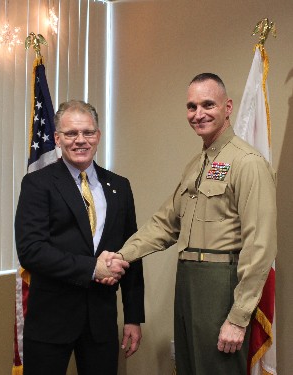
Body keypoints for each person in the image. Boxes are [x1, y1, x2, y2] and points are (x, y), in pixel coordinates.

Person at [102, 73, 277, 375]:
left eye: (208, 104)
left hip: (221, 284)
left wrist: (238, 316)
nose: (199, 114)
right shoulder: (196, 165)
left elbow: (259, 245)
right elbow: (166, 224)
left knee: (217, 368)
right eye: (191, 106)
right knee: (189, 367)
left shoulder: (248, 162)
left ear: (228, 107)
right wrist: (121, 255)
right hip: (188, 281)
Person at [15, 100, 144, 375]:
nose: (80, 141)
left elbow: (132, 251)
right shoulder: (38, 184)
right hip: (51, 321)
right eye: (71, 134)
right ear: (57, 139)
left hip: (101, 322)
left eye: (87, 132)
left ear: (98, 136)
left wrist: (133, 318)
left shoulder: (119, 186)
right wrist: (92, 269)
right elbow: (31, 250)